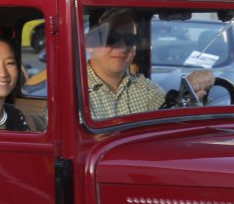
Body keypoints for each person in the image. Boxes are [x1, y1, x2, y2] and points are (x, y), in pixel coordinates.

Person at [85, 8, 214, 120]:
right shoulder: (76, 91)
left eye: (130, 39)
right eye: (112, 38)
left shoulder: (143, 87)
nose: (123, 47)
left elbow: (171, 115)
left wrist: (190, 94)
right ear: (90, 42)